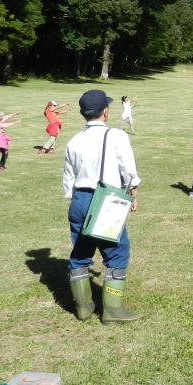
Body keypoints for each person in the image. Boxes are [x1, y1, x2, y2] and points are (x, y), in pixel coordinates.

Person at [62, 90, 141, 324]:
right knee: (117, 253)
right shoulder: (116, 135)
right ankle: (112, 310)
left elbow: (68, 179)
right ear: (105, 112)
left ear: (82, 113)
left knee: (80, 253)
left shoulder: (73, 141)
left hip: (79, 200)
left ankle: (83, 307)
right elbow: (128, 169)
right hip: (106, 201)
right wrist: (134, 193)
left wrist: (78, 201)